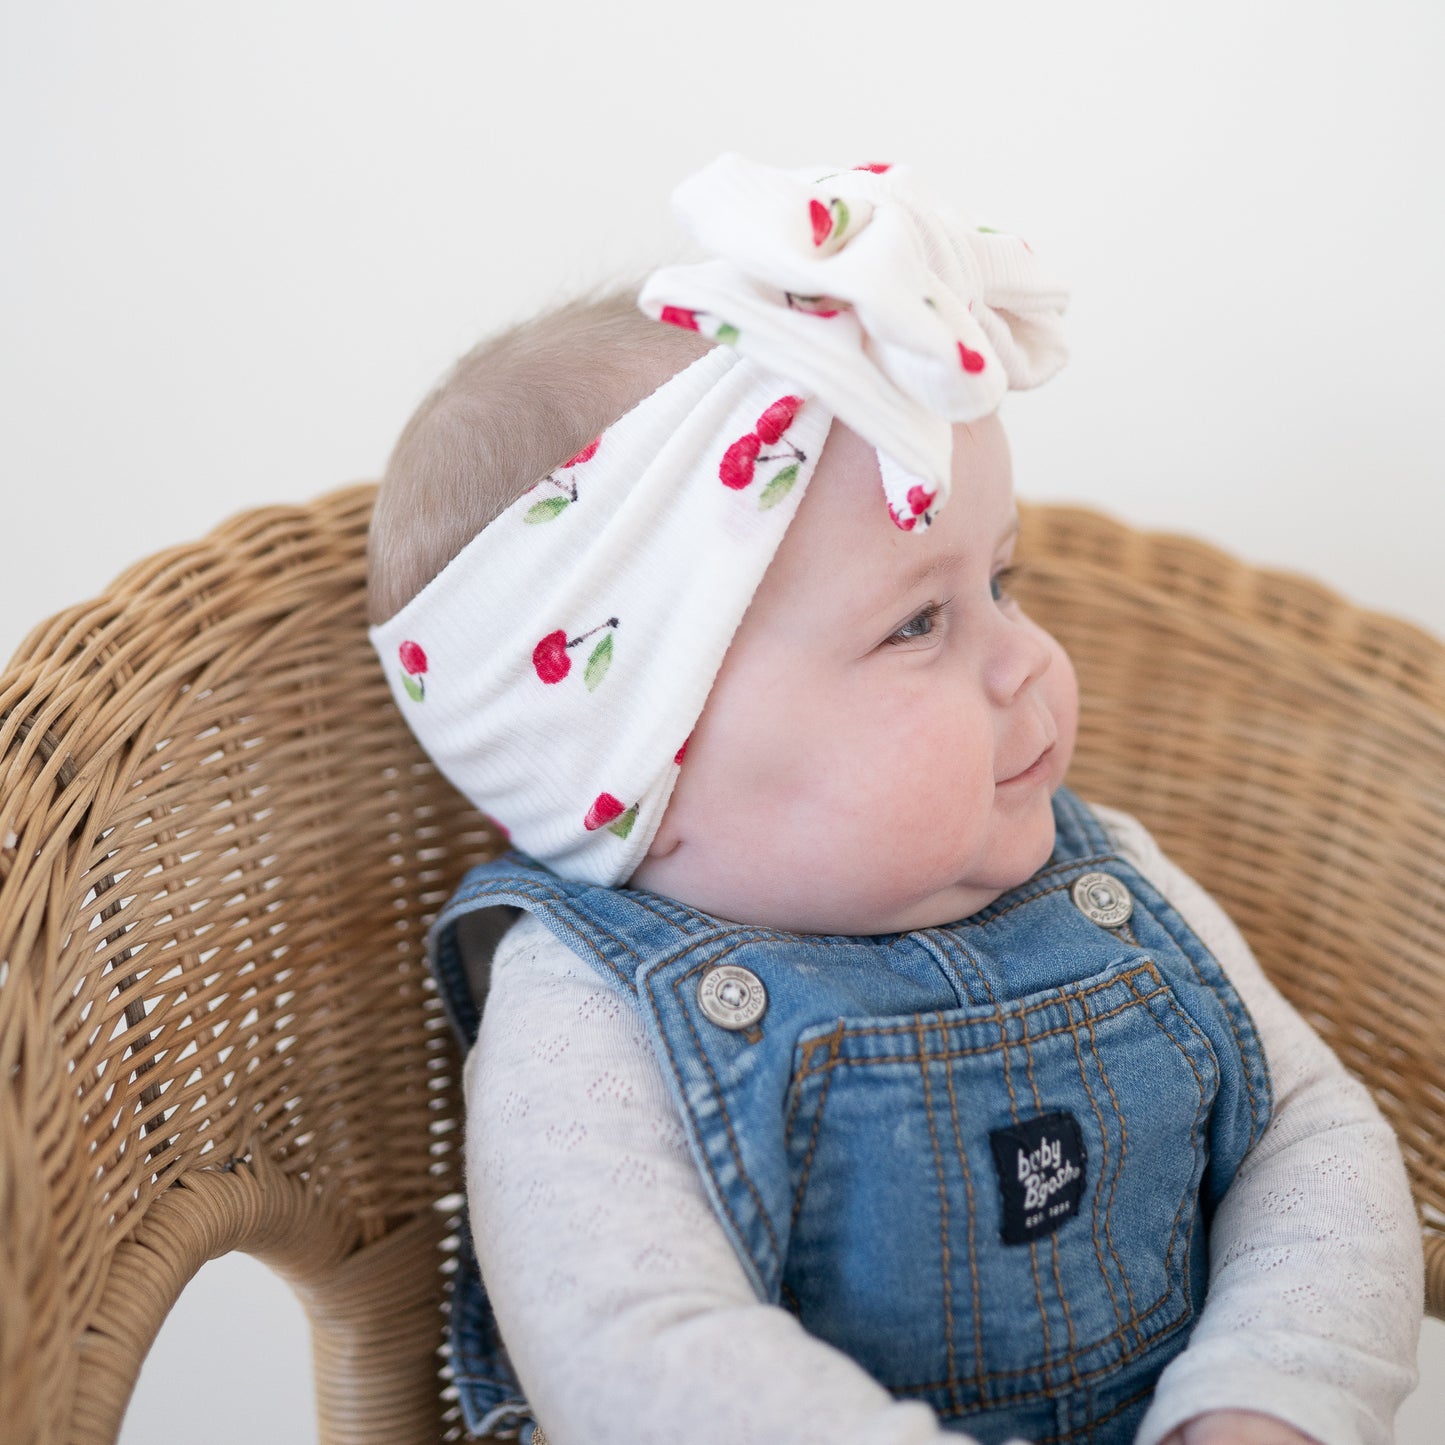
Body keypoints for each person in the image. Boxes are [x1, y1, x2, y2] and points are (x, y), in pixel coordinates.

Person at [366, 156, 1422, 1445]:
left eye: (1007, 580)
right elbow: (635, 1350)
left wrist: (1268, 1398)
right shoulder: (586, 1006)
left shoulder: (1108, 872)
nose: (1028, 656)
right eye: (918, 621)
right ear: (649, 756)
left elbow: (1305, 1137)